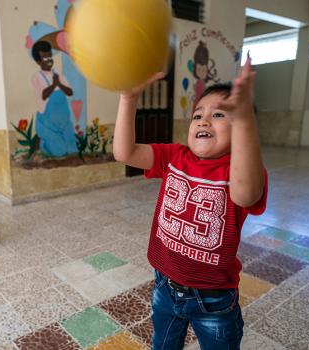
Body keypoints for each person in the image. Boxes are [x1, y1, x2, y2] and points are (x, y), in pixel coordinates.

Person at [113, 56, 267, 350]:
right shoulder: (175, 156)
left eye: (220, 115)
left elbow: (246, 195)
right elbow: (125, 152)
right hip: (164, 285)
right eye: (198, 115)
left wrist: (246, 120)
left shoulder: (239, 171)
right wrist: (128, 98)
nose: (204, 120)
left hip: (213, 299)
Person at [31, 40, 79, 157]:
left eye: (50, 57)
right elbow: (43, 95)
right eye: (45, 58)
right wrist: (54, 85)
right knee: (59, 152)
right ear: (38, 61)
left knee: (72, 150)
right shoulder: (36, 78)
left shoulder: (59, 75)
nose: (49, 61)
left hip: (64, 122)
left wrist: (59, 84)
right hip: (48, 123)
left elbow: (70, 92)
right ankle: (42, 142)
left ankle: (61, 141)